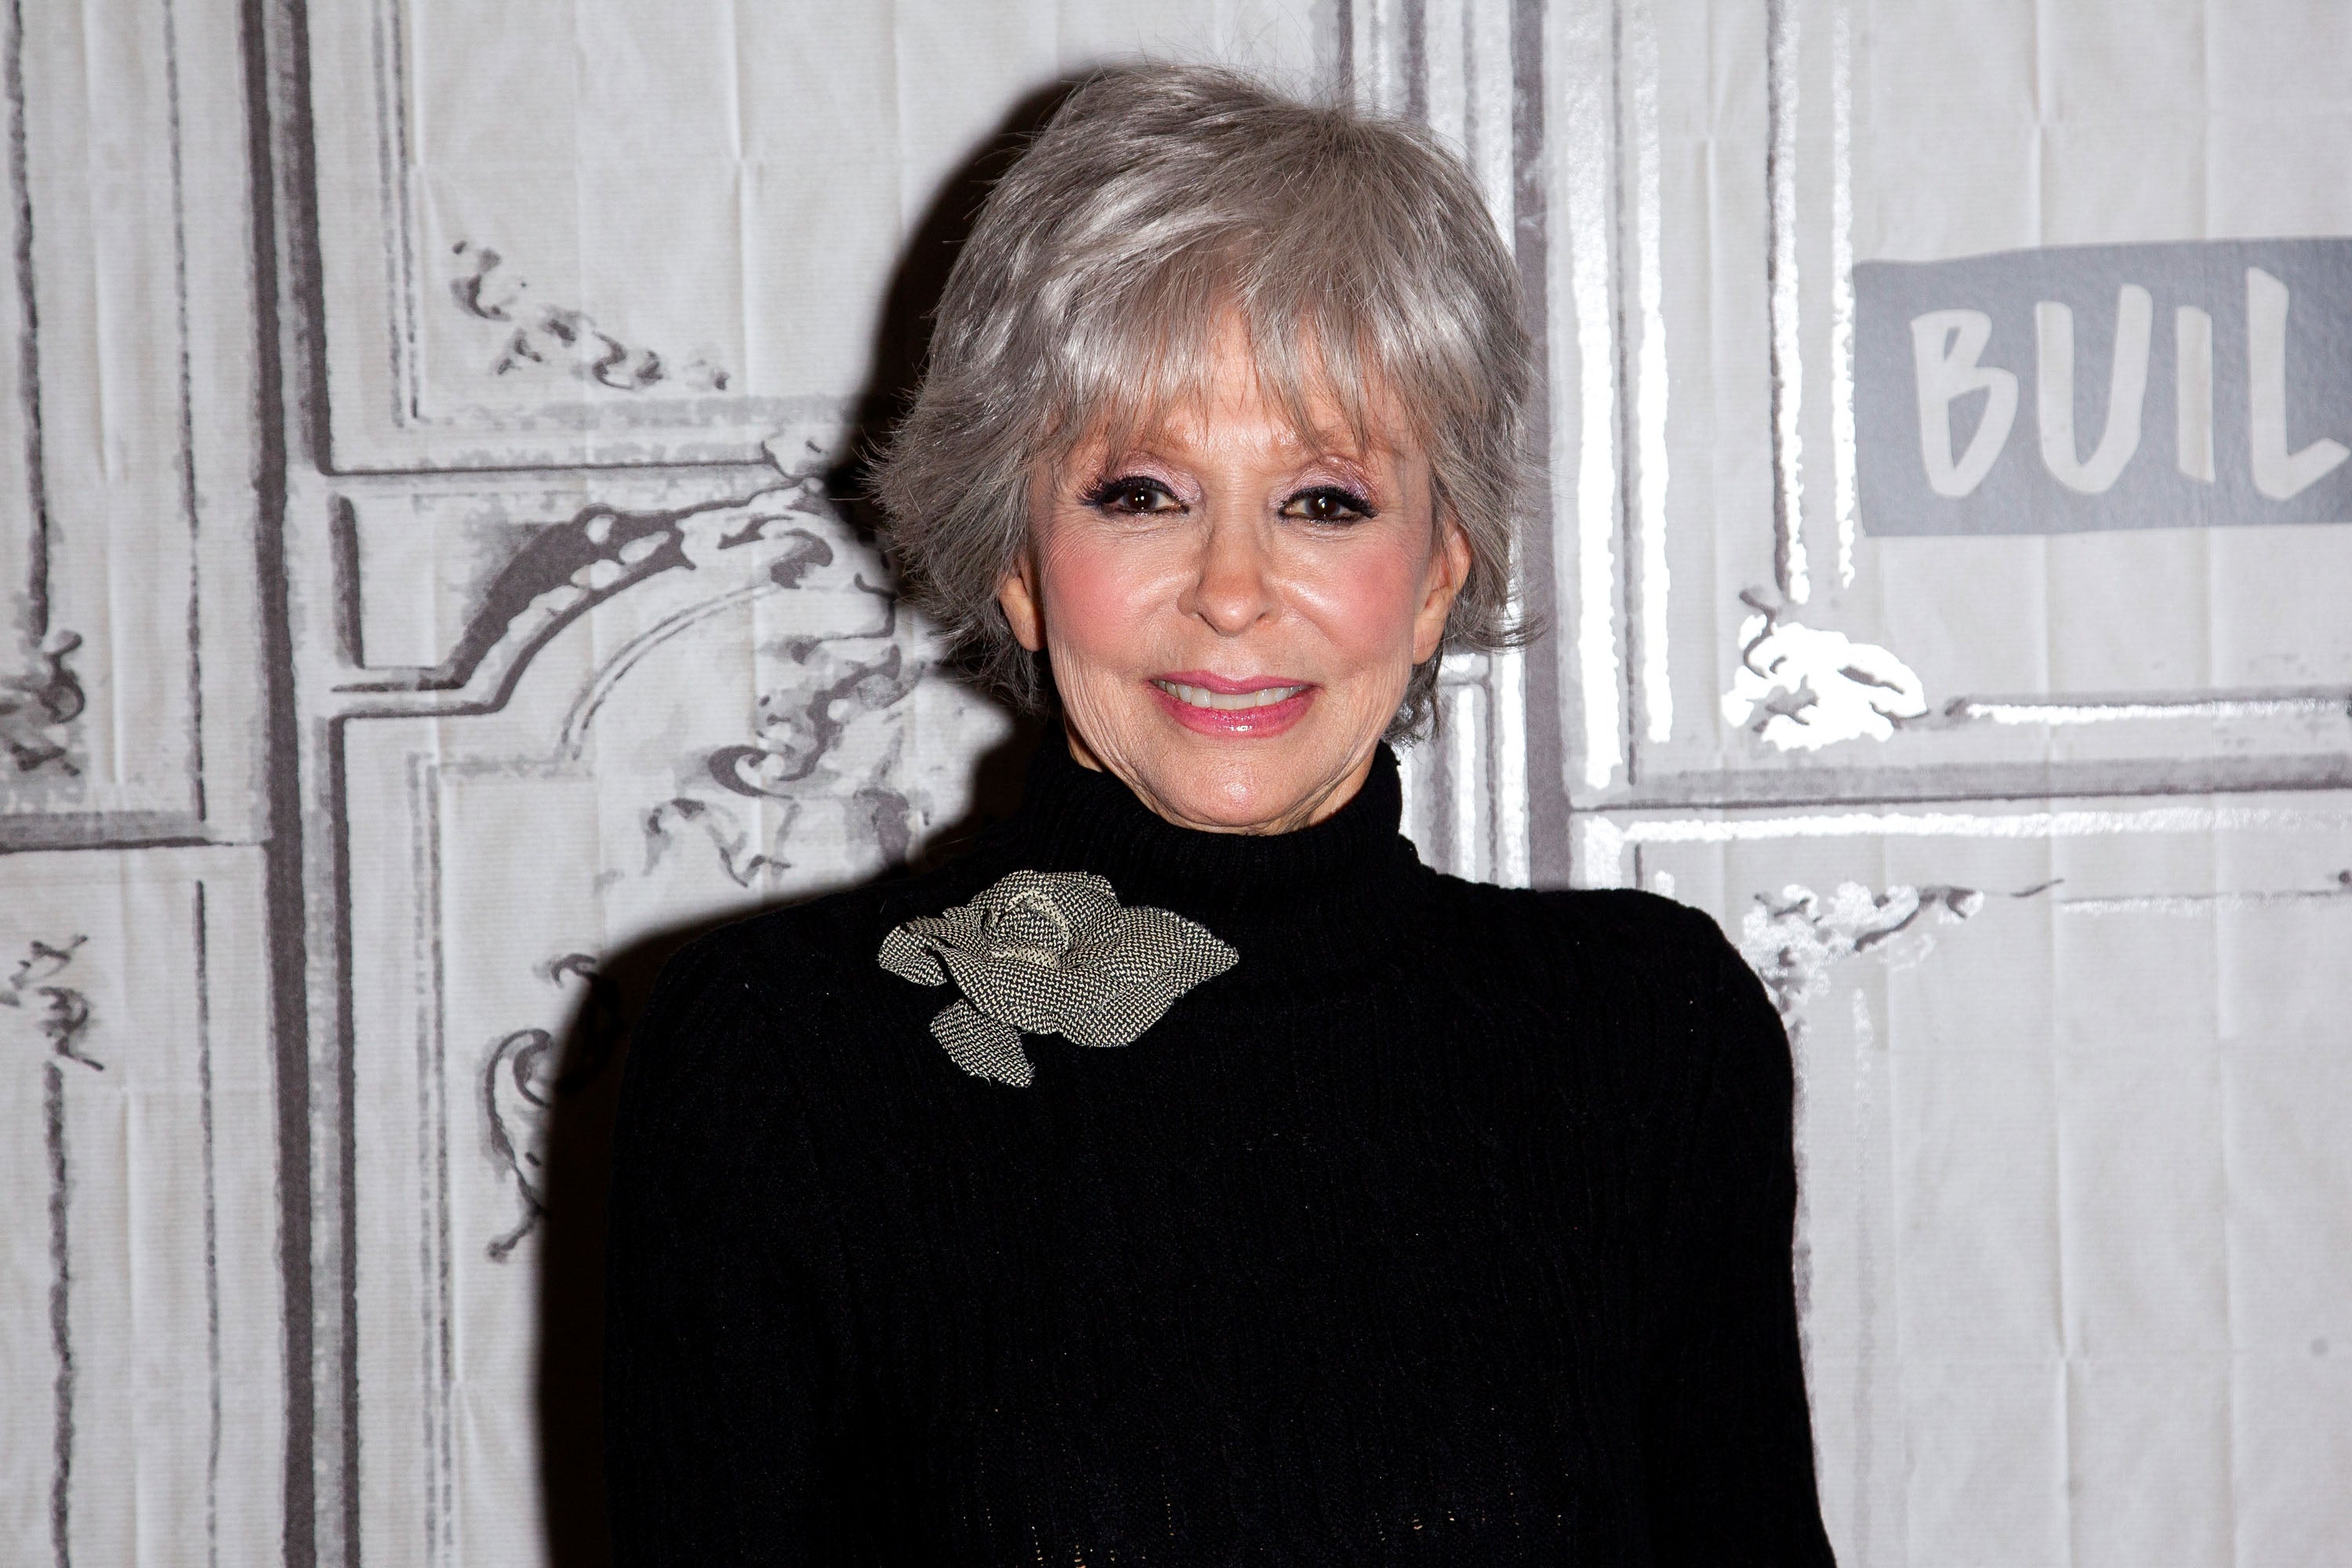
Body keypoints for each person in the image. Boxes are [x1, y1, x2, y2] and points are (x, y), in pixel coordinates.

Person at [603, 64, 1832, 1565]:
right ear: (1018, 566)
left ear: (1438, 573)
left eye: (1324, 500)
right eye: (1141, 493)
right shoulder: (782, 1059)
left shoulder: (1648, 1035)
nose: (1233, 592)